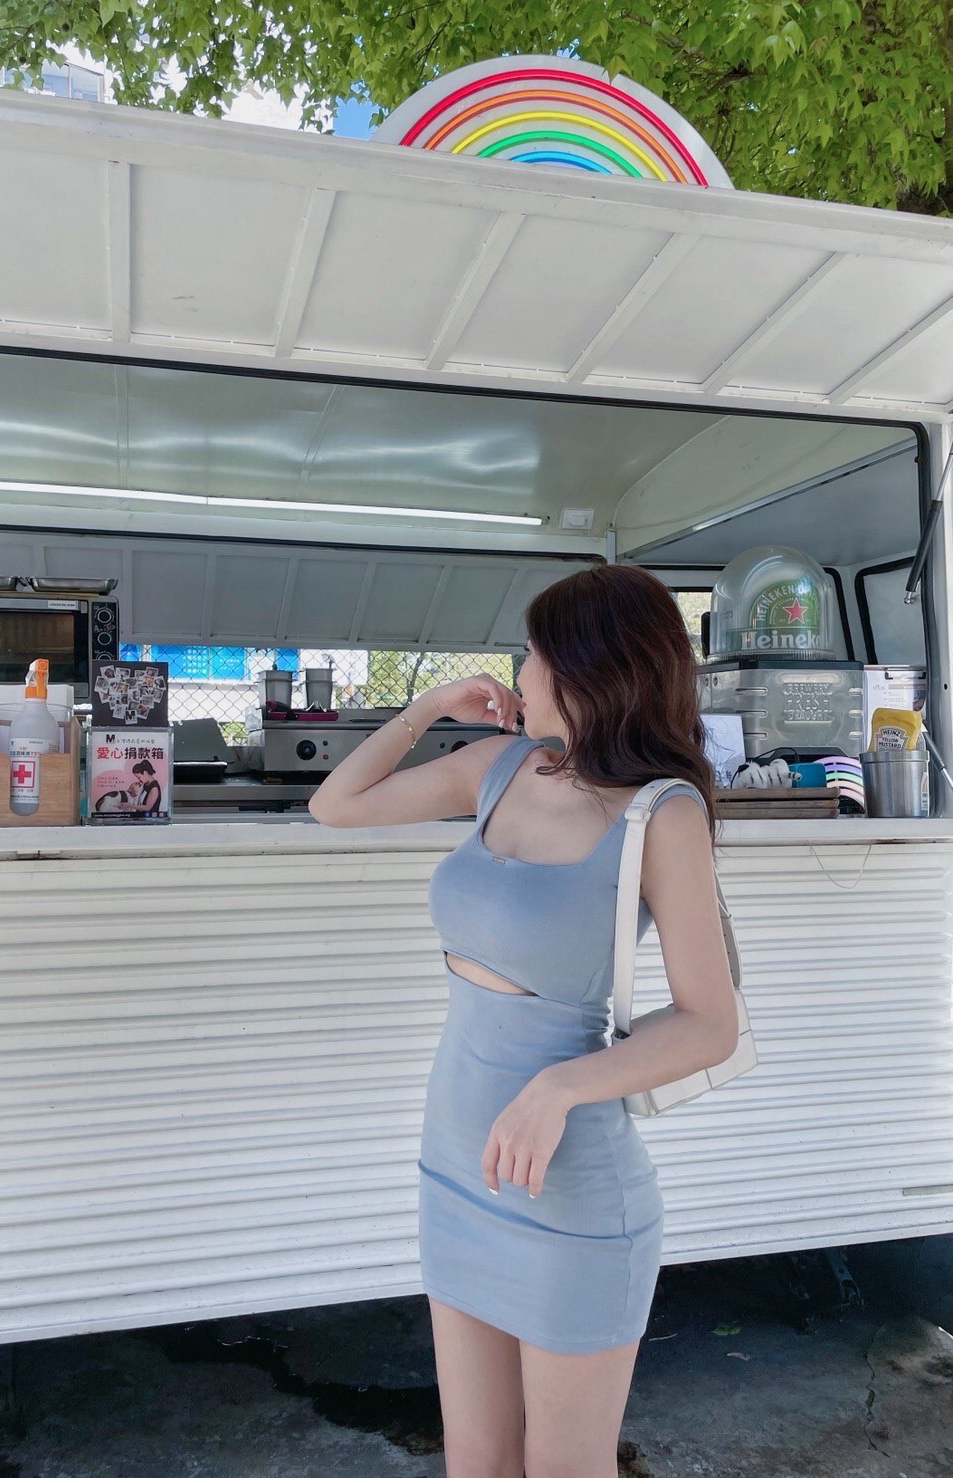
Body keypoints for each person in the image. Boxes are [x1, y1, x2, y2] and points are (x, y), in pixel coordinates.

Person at [308, 565, 738, 1478]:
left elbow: (711, 1023)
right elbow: (334, 805)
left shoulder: (662, 812)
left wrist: (561, 1087)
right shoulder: (500, 767)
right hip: (455, 1164)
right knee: (477, 1463)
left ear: (587, 667)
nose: (519, 672)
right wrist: (429, 707)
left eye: (533, 653)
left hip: (571, 1191)